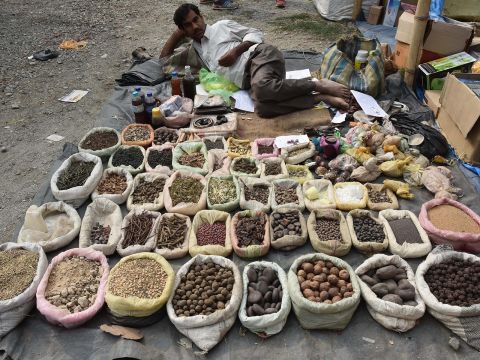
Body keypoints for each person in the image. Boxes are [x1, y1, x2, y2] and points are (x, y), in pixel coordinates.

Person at [160, 3, 349, 118]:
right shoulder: (195, 51)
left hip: (260, 57)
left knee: (263, 88)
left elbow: (256, 33)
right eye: (188, 25)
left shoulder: (221, 26)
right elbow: (164, 61)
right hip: (249, 82)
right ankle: (319, 98)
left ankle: (316, 84)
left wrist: (236, 51)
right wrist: (178, 34)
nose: (195, 26)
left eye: (196, 19)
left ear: (202, 16)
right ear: (183, 30)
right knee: (263, 109)